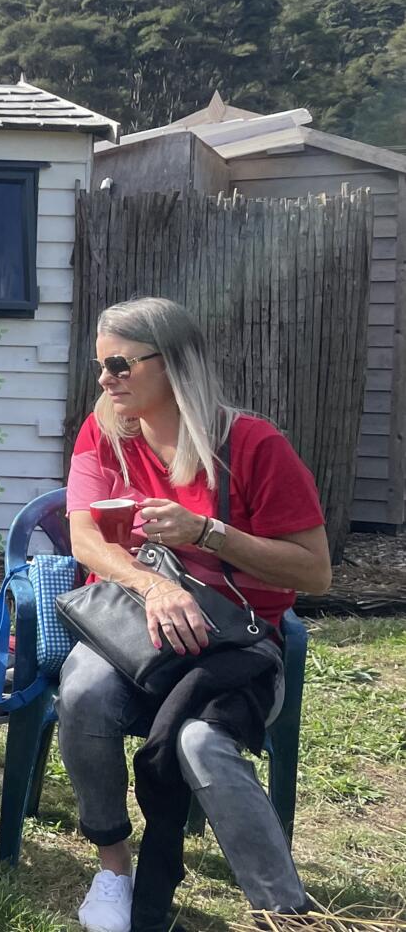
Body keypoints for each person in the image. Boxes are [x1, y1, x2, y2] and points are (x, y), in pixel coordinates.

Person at [57, 297, 330, 932]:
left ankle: (286, 914)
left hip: (233, 643)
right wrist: (154, 586)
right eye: (100, 365)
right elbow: (85, 539)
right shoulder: (105, 431)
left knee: (201, 741)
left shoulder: (255, 446)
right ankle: (113, 869)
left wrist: (207, 534)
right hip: (129, 630)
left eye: (121, 364)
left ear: (173, 363)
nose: (107, 380)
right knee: (83, 690)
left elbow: (314, 571)